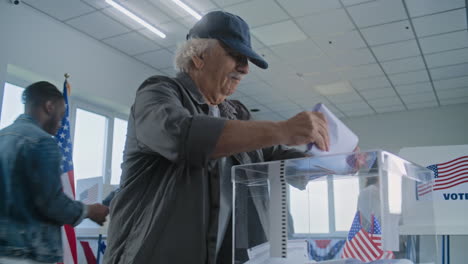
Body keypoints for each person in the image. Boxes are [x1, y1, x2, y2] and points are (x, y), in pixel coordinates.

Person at [103, 11, 330, 264]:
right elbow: (183, 136)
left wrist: (329, 163)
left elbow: (272, 156)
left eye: (246, 60)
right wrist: (283, 129)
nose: (245, 68)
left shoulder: (237, 113)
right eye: (236, 56)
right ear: (199, 57)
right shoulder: (158, 92)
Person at [0, 81, 109, 264]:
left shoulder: (3, 136)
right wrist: (90, 210)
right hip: (30, 254)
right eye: (62, 114)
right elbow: (51, 202)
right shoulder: (43, 142)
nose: (61, 123)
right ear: (49, 106)